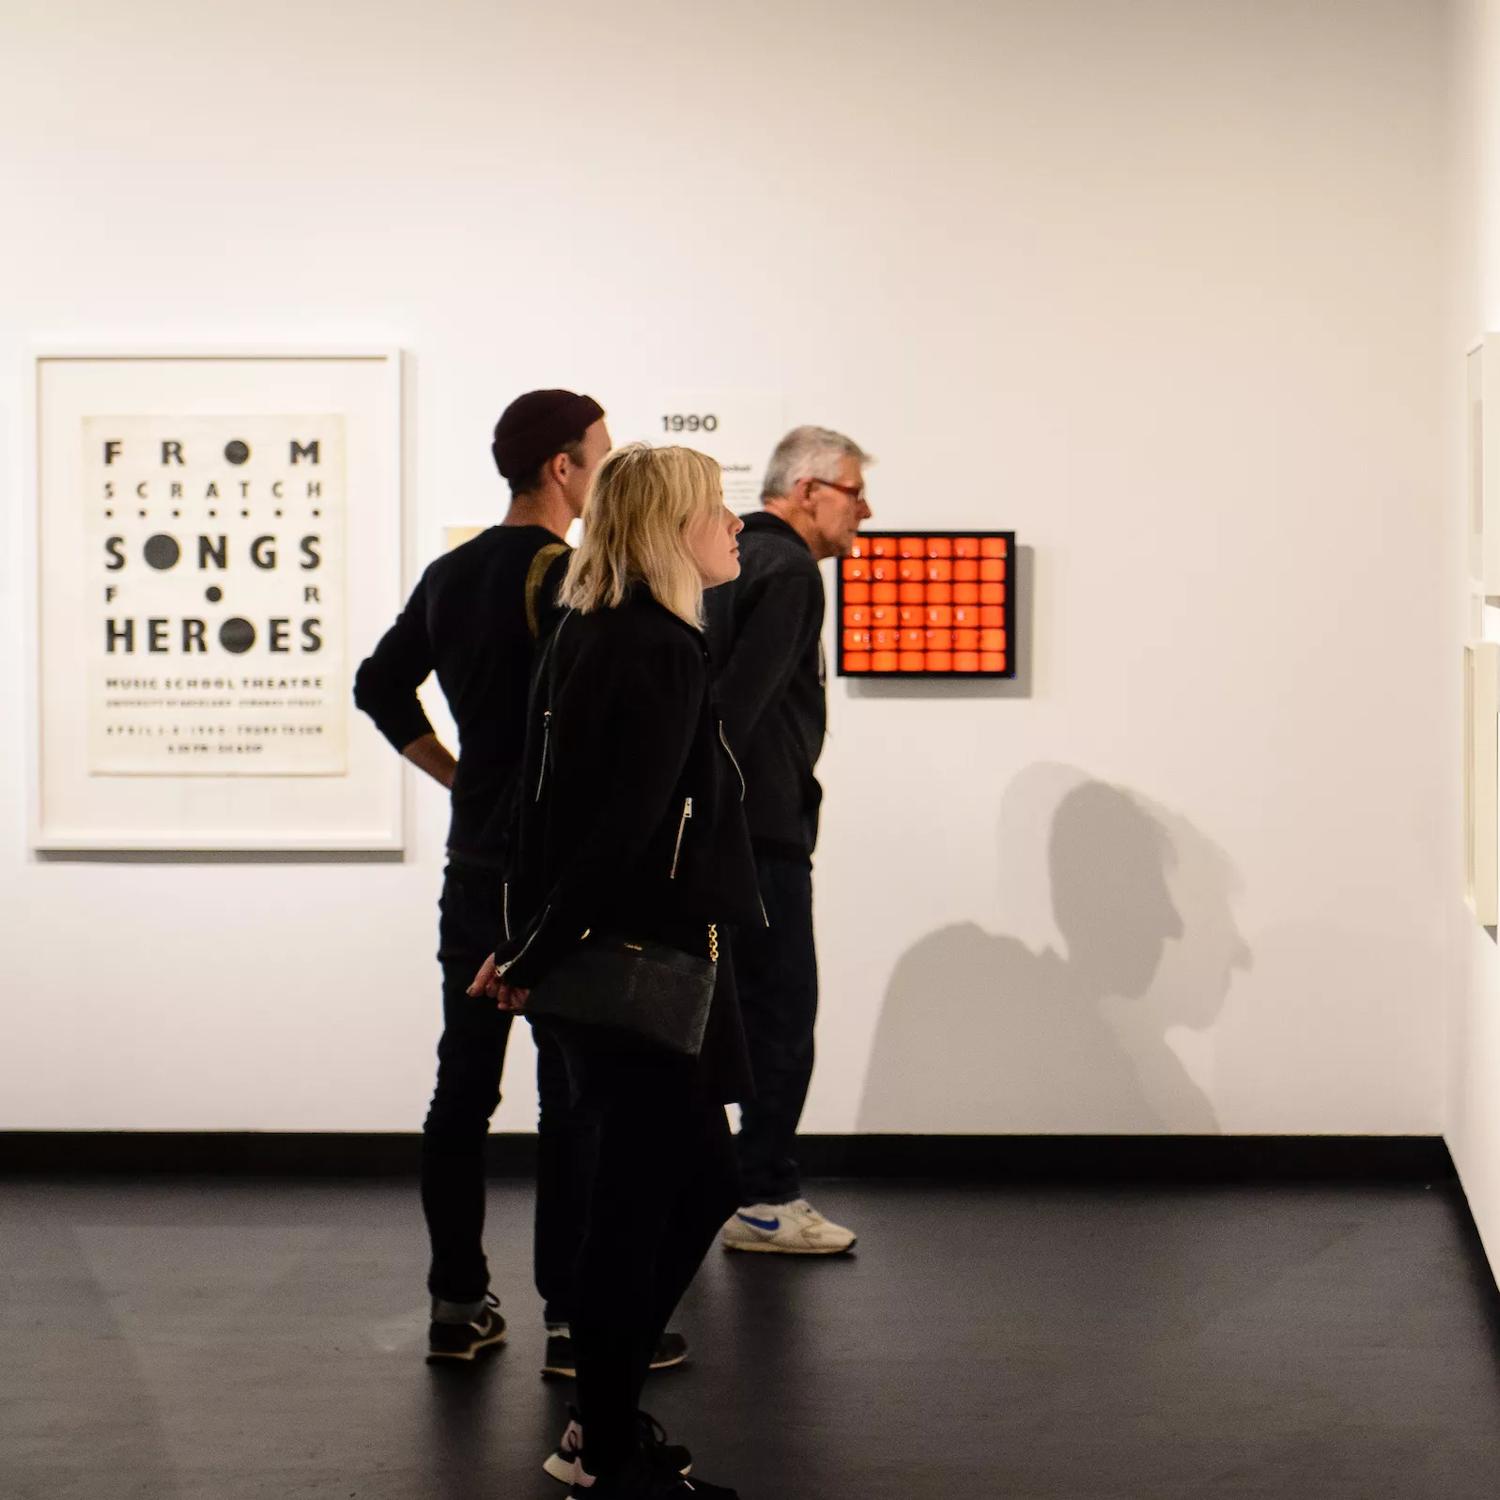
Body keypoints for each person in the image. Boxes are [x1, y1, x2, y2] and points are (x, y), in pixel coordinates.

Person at [354, 390, 682, 1375]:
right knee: (571, 1094)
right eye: (601, 456)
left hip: (476, 863)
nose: (606, 471)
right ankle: (573, 1317)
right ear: (562, 469)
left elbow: (379, 683)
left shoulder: (452, 574)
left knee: (462, 1087)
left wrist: (459, 775)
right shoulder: (576, 578)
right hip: (549, 875)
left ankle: (457, 1302)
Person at [469, 443, 758, 1499]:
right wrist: (533, 953)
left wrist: (527, 946)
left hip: (603, 966)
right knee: (661, 1195)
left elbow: (542, 813)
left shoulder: (593, 633)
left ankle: (603, 1422)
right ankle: (601, 1437)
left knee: (660, 1191)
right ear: (669, 527)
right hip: (633, 968)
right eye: (718, 510)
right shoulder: (656, 648)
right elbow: (621, 831)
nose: (735, 527)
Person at [705, 425, 871, 1255]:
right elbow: (735, 709)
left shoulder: (730, 560)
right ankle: (765, 1196)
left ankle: (703, 1196)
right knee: (780, 1020)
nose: (864, 511)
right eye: (852, 492)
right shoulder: (791, 570)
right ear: (807, 491)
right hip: (760, 836)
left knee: (712, 1022)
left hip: (719, 834)